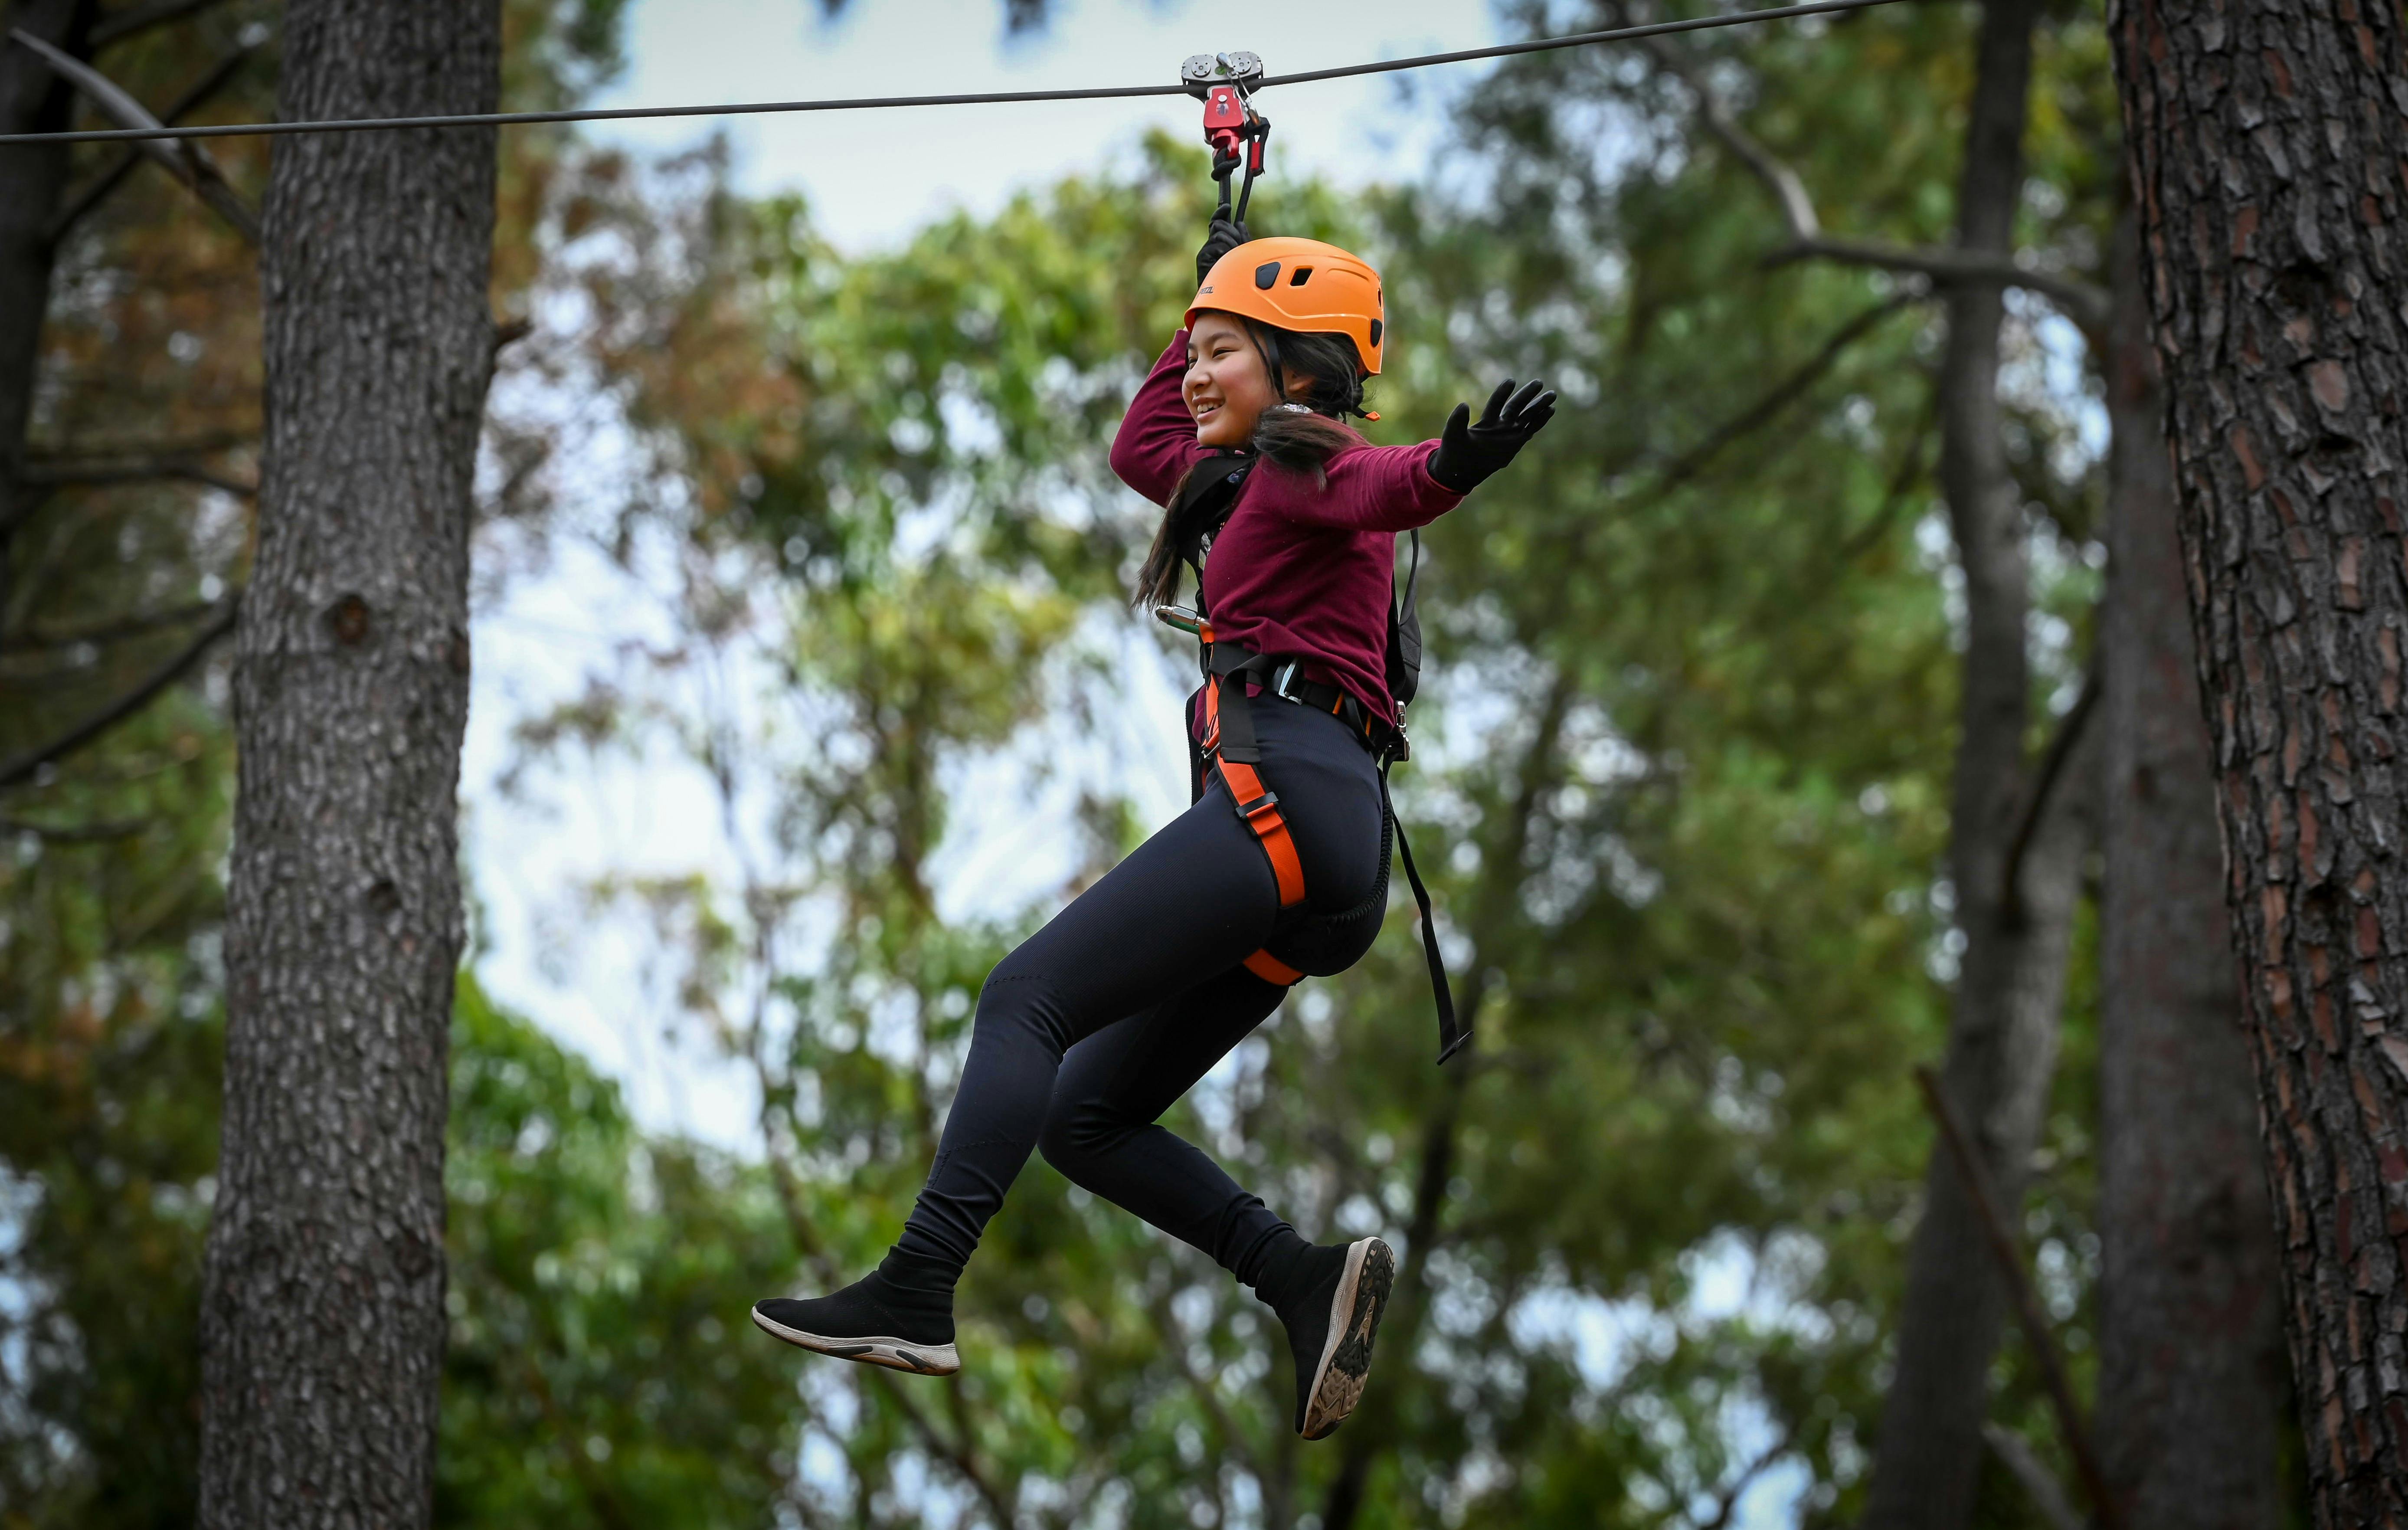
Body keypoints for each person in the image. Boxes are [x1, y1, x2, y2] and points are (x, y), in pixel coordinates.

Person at [752, 216, 1555, 1441]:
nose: (1192, 373)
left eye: (1224, 353)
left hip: (1286, 800)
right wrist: (1202, 302)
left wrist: (1457, 464)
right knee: (1085, 1115)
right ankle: (1296, 1273)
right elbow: (1142, 442)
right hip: (1321, 864)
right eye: (1195, 352)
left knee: (1025, 998)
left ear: (1303, 372)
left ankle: (918, 1285)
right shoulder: (1242, 485)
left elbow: (1387, 480)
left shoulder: (1310, 465)